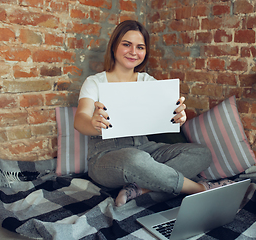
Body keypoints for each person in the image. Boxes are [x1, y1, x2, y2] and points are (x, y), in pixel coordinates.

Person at [74, 20, 233, 207]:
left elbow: (164, 117)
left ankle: (141, 188)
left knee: (202, 153)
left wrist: (178, 118)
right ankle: (200, 189)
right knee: (135, 159)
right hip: (106, 156)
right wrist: (93, 124)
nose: (133, 52)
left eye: (140, 47)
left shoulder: (147, 81)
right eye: (126, 44)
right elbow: (80, 120)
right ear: (114, 46)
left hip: (145, 148)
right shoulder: (94, 82)